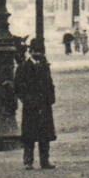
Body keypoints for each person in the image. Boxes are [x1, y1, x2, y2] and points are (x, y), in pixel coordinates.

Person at [12, 39, 57, 170]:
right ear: (30, 52)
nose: (38, 54)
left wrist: (51, 98)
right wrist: (26, 99)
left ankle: (45, 160)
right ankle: (28, 161)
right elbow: (18, 86)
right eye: (36, 51)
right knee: (29, 136)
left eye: (41, 52)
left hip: (44, 105)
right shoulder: (23, 67)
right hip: (31, 106)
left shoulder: (45, 66)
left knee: (45, 135)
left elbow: (50, 83)